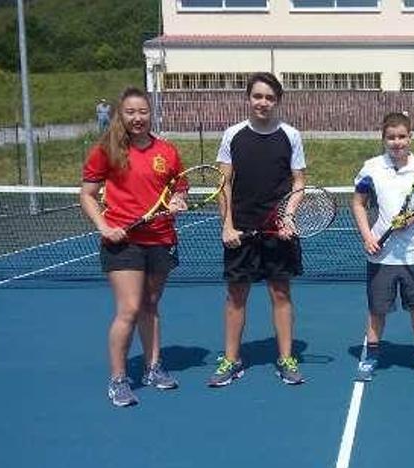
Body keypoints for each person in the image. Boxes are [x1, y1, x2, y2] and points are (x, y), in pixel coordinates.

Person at [80, 87, 184, 407]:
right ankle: (118, 379)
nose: (137, 118)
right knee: (129, 309)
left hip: (161, 238)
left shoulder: (167, 151)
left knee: (151, 304)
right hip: (123, 242)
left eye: (143, 112)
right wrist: (104, 227)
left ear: (151, 114)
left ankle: (153, 369)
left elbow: (178, 187)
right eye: (130, 112)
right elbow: (86, 194)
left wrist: (179, 199)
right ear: (120, 115)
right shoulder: (106, 150)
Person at [208, 72, 307, 387]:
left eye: (269, 97)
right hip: (241, 231)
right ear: (248, 98)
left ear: (277, 101)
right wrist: (227, 225)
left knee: (281, 292)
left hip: (279, 232)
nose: (263, 102)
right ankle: (231, 359)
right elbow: (223, 183)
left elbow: (299, 183)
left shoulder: (290, 135)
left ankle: (287, 357)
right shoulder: (233, 135)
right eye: (257, 96)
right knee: (236, 295)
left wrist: (287, 217)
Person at [350, 112, 414, 382]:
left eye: (402, 136)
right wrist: (367, 236)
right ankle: (372, 356)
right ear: (384, 139)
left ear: (410, 138)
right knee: (377, 310)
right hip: (381, 254)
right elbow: (358, 203)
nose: (397, 142)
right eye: (391, 137)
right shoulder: (371, 167)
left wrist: (412, 218)